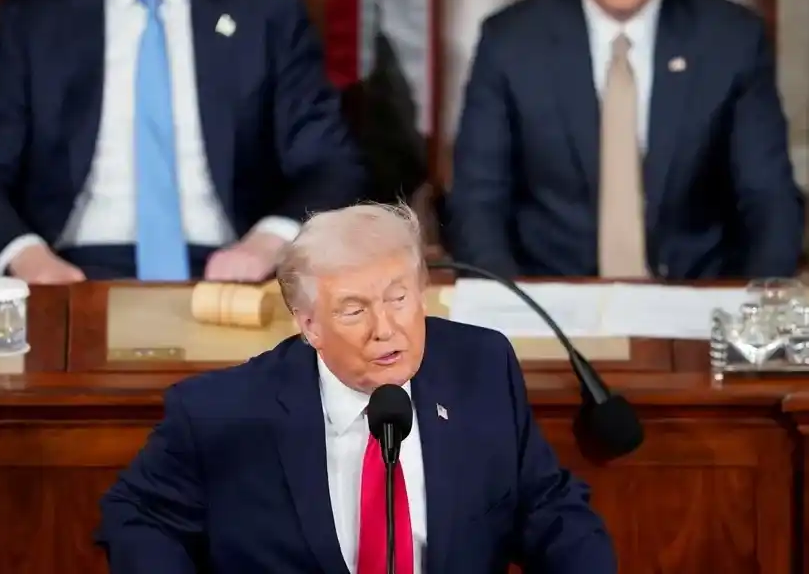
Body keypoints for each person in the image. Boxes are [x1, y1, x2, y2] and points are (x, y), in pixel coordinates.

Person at [96, 202, 616, 573]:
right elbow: (136, 516)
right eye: (353, 310)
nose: (385, 328)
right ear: (308, 325)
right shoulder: (223, 413)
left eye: (398, 299)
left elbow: (548, 506)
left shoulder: (481, 370)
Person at [0, 0, 366, 283]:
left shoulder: (268, 11)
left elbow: (330, 164)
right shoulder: (31, 20)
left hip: (232, 267)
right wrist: (27, 258)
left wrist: (268, 242)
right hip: (69, 271)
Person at [449, 0, 803, 280]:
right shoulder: (510, 41)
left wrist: (759, 308)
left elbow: (768, 198)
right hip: (549, 296)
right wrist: (509, 307)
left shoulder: (733, 39)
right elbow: (478, 201)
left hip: (695, 296)